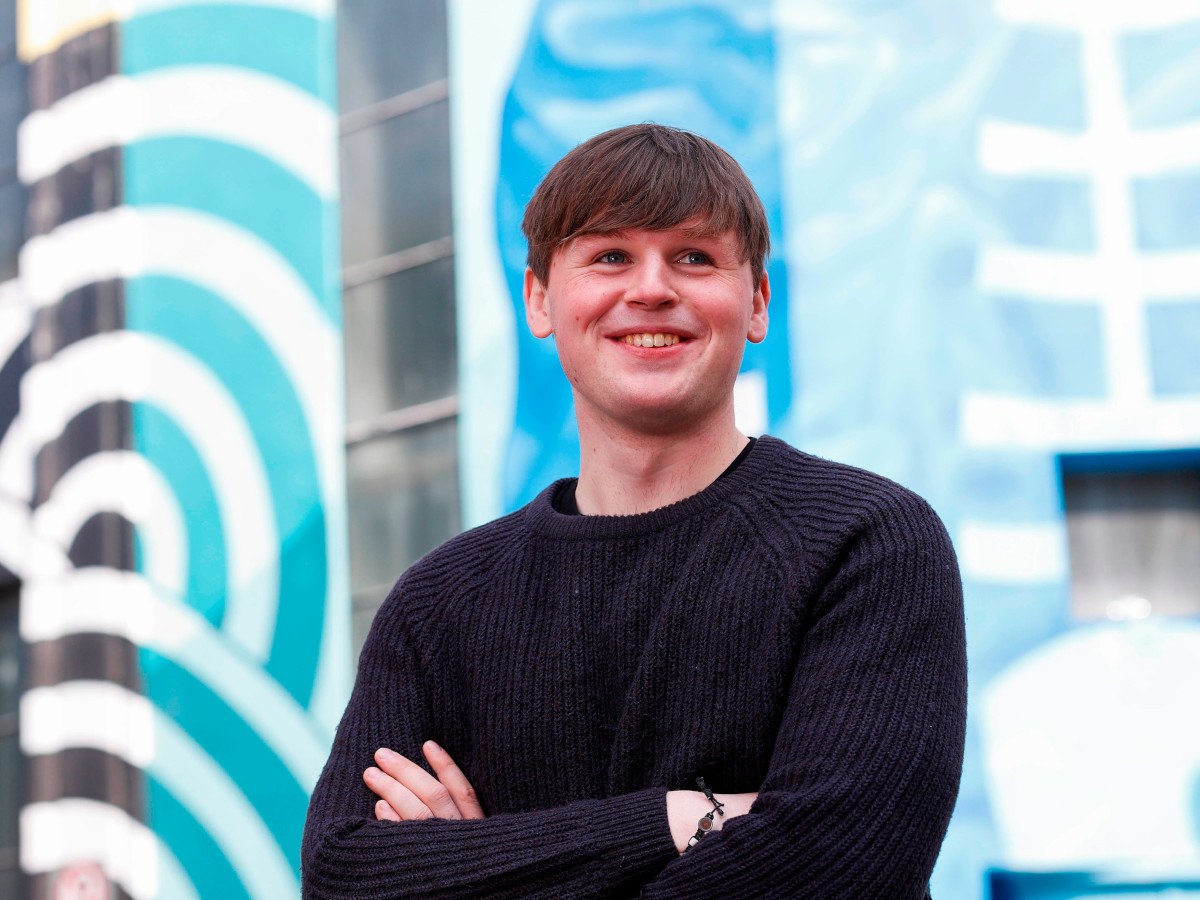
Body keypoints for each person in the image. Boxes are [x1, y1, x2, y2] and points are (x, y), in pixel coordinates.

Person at [301, 123, 967, 898]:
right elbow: (344, 875)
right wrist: (678, 819)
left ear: (755, 303)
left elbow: (839, 865)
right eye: (610, 256)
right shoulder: (439, 602)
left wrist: (477, 865)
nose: (651, 288)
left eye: (695, 257)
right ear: (540, 299)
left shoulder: (868, 544)